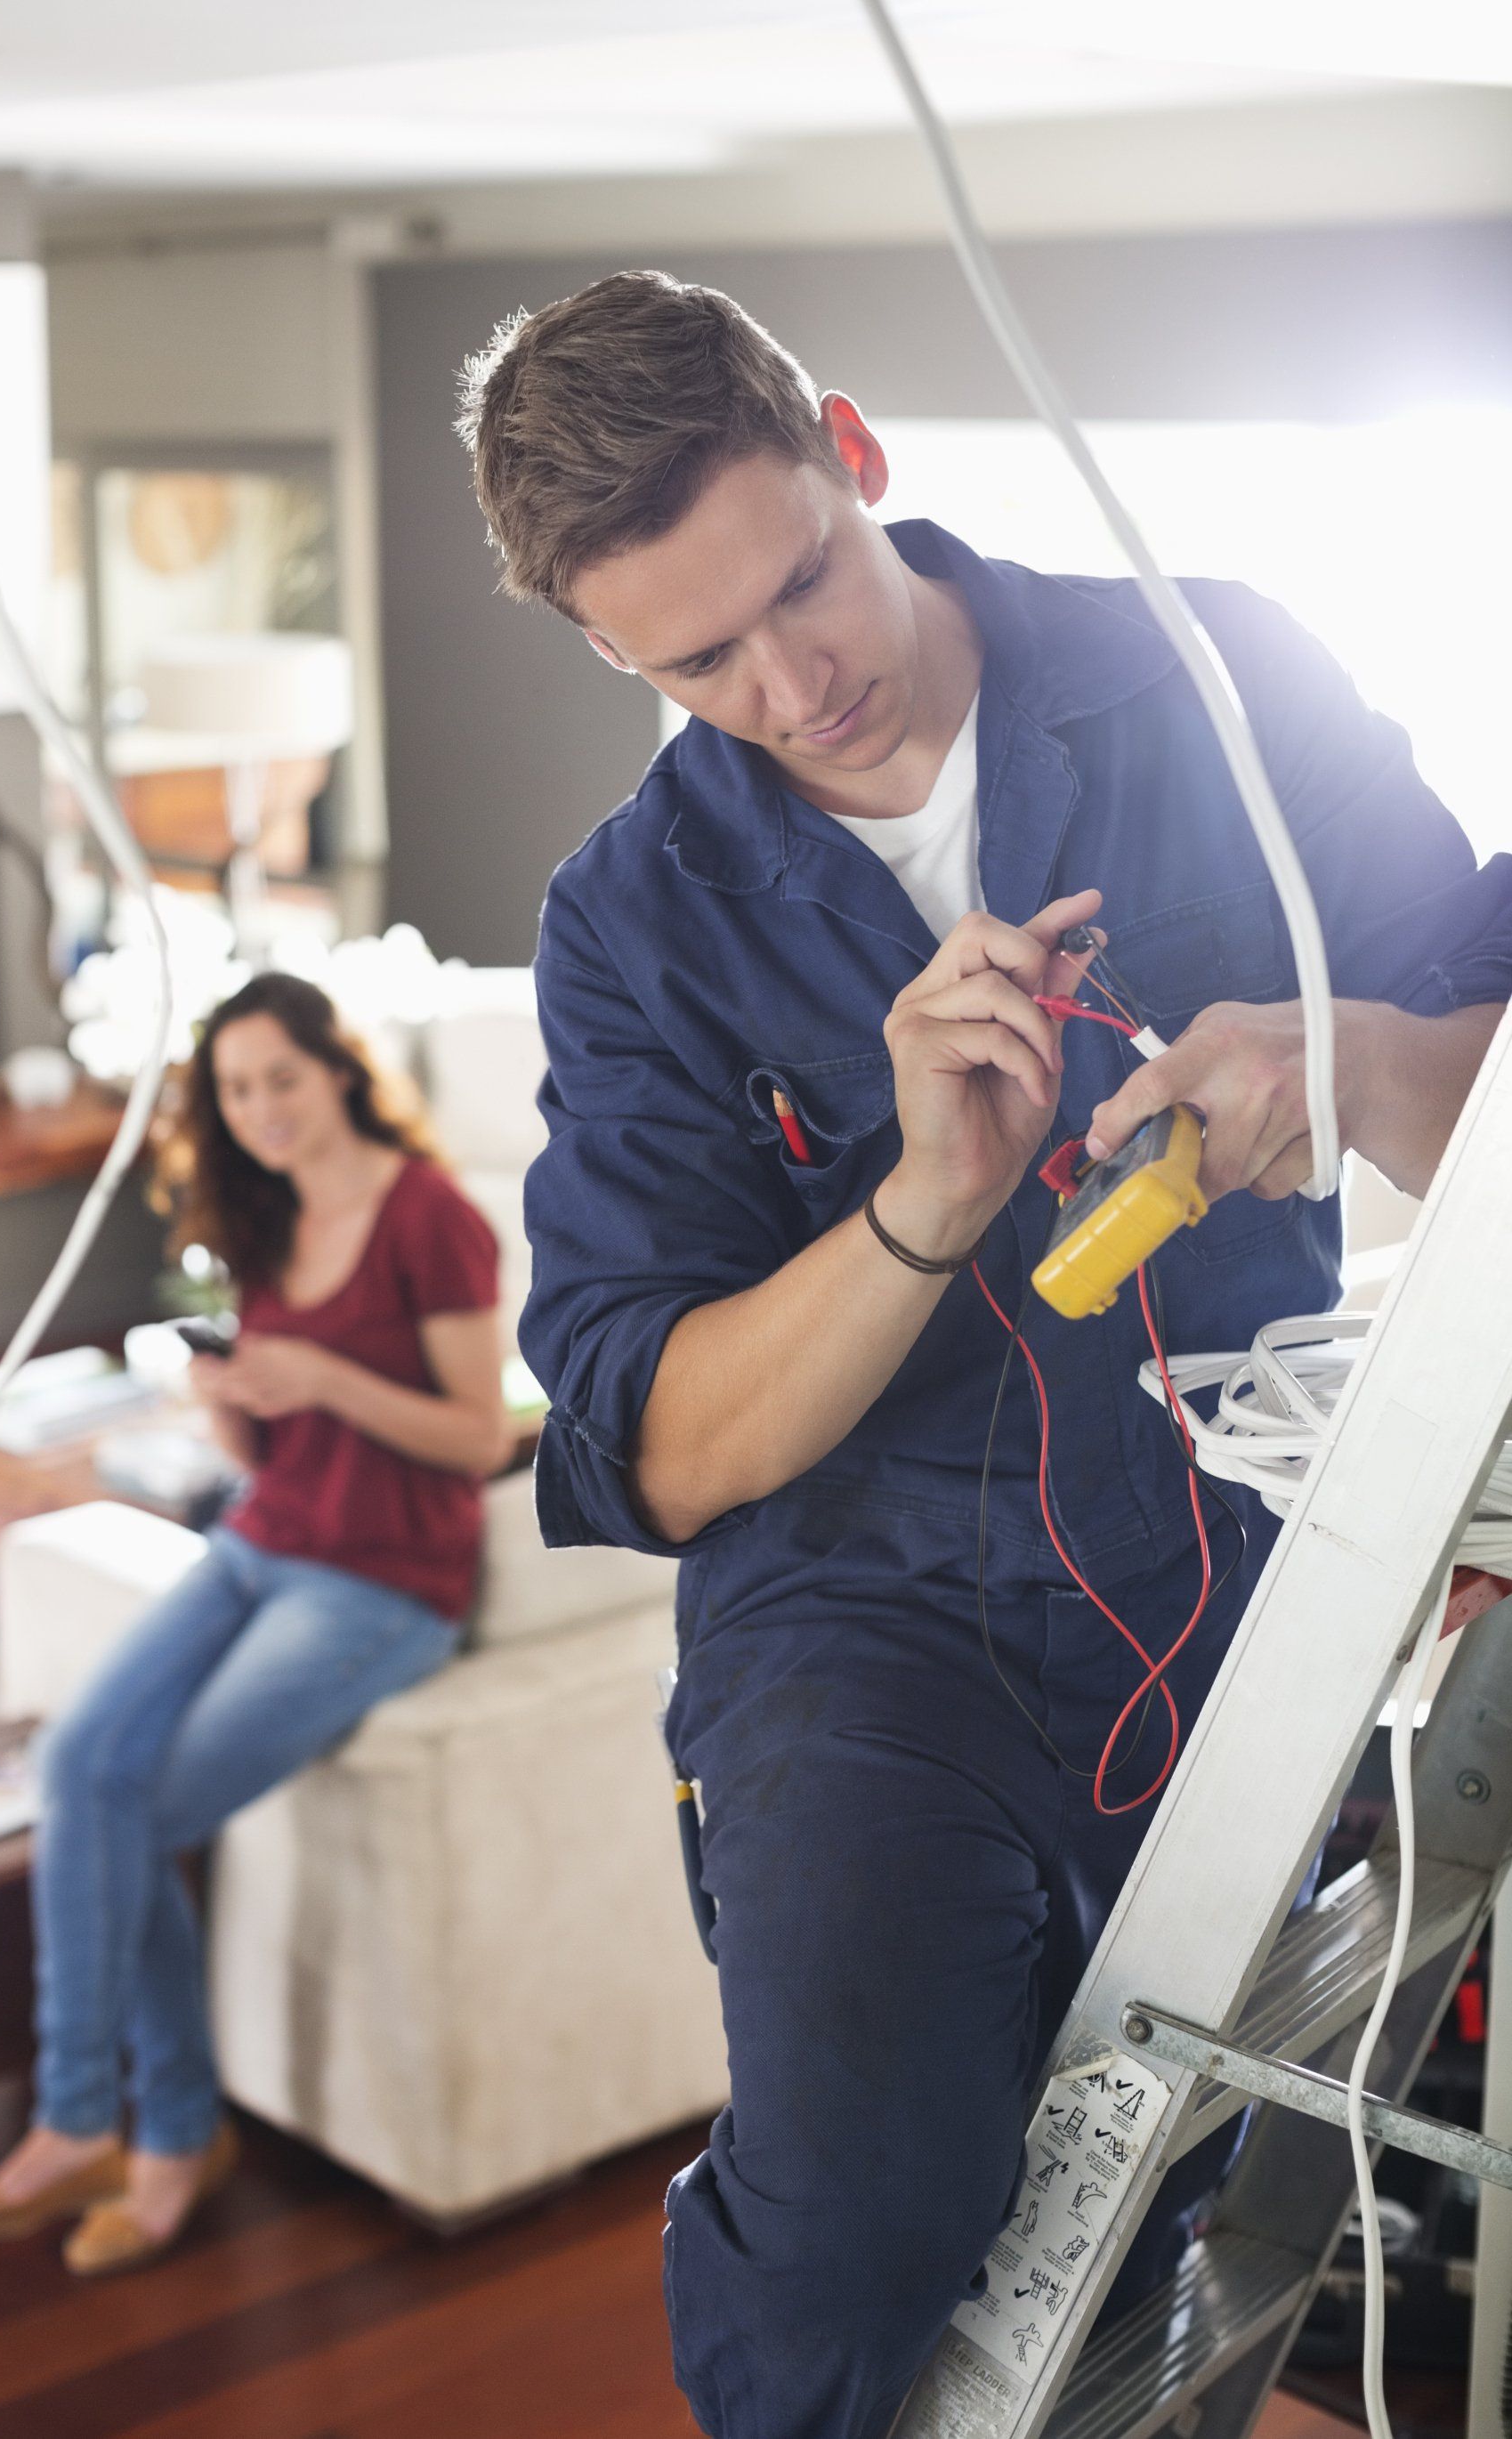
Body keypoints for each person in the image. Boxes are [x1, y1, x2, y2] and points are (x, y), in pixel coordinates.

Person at [455, 270, 1512, 2439]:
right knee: (860, 2222)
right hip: (859, 1619)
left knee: (1177, 2205)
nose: (792, 680)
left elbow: (1485, 1064)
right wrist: (919, 1209)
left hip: (1234, 1578)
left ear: (850, 446)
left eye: (801, 585)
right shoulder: (632, 918)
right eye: (698, 662)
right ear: (602, 650)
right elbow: (650, 1444)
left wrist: (1358, 1055)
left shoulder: (1219, 671)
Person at [0, 972, 510, 2274]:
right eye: (235, 1092)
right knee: (79, 1762)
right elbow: (270, 1441)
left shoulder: (430, 1217)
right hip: (260, 1538)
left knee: (139, 1805)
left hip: (384, 1580)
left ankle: (153, 2133)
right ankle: (94, 2119)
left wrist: (326, 1379)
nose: (261, 1112)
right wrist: (235, 1404)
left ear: (340, 1071)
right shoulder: (262, 1213)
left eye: (280, 1081)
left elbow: (478, 1435)